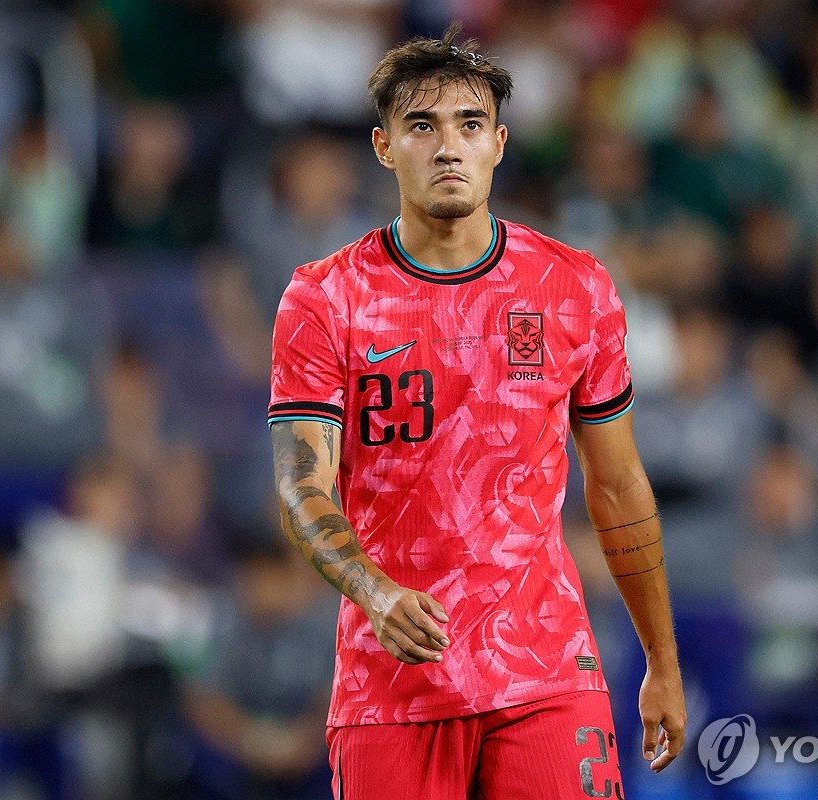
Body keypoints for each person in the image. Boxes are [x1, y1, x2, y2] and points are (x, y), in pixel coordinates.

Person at [268, 24, 685, 799]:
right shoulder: (325, 299)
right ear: (384, 147)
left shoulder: (576, 288)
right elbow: (303, 486)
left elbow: (619, 487)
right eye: (422, 126)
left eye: (468, 126)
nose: (448, 147)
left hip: (547, 673)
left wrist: (661, 660)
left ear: (498, 143)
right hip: (392, 687)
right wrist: (374, 592)